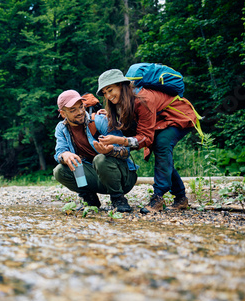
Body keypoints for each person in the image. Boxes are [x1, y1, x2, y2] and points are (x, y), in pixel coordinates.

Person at [96, 69, 197, 213]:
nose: (108, 96)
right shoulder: (125, 100)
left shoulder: (143, 99)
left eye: (110, 90)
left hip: (178, 116)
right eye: (105, 93)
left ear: (121, 85)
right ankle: (181, 198)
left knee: (161, 144)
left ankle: (158, 197)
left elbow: (145, 137)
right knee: (160, 147)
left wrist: (120, 140)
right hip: (160, 121)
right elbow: (132, 126)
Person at [53, 89, 138, 213]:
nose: (80, 112)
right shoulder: (61, 128)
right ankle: (89, 198)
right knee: (60, 170)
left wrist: (110, 151)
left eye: (81, 107)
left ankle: (118, 199)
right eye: (73, 110)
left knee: (100, 159)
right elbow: (59, 152)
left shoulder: (100, 120)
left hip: (123, 178)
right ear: (63, 113)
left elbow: (126, 150)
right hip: (96, 177)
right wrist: (65, 155)